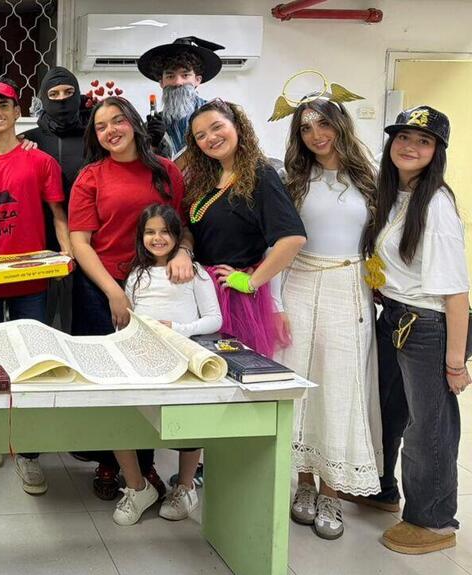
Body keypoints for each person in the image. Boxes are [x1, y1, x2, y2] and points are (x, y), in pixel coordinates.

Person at [272, 91, 382, 541]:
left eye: (323, 124)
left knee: (340, 384)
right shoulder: (292, 179)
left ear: (340, 124)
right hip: (299, 283)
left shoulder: (371, 179)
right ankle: (303, 483)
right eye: (305, 127)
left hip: (348, 288)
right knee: (300, 381)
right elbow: (277, 243)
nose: (316, 135)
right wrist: (276, 303)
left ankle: (332, 490)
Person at [358, 106, 468, 555]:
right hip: (396, 317)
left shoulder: (437, 205)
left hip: (427, 327)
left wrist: (456, 363)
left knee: (430, 427)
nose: (409, 146)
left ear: (437, 151)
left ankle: (434, 520)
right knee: (388, 411)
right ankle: (384, 489)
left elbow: (456, 294)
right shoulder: (396, 194)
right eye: (403, 137)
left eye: (422, 141)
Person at [66, 96, 187, 502]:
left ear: (133, 122)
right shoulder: (91, 176)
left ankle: (145, 464)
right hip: (102, 287)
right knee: (105, 379)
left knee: (146, 379)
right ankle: (108, 460)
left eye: (117, 121)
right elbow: (80, 242)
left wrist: (184, 251)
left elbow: (180, 228)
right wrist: (113, 291)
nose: (110, 131)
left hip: (152, 288)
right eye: (101, 127)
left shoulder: (166, 172)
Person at [0, 77, 68, 495]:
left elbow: (58, 212)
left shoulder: (39, 160)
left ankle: (27, 452)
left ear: (17, 110)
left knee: (32, 363)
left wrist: (65, 253)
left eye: (3, 105)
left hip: (30, 275)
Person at [111, 203, 220, 526]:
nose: (157, 238)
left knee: (190, 420)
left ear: (177, 236)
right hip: (141, 358)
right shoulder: (136, 274)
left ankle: (184, 486)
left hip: (183, 357)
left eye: (164, 232)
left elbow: (215, 319)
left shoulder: (195, 273)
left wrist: (178, 329)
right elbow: (123, 321)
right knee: (119, 414)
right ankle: (137, 486)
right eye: (150, 232)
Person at [183, 99, 306, 358]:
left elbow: (292, 239)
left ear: (237, 125)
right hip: (204, 292)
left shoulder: (261, 175)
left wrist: (251, 282)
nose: (211, 138)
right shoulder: (207, 179)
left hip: (234, 298)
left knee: (233, 377)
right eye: (201, 136)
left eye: (217, 127)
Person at [20, 66, 89, 332]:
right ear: (43, 98)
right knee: (40, 320)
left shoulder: (93, 137)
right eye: (54, 93)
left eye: (69, 92)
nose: (61, 99)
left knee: (81, 315)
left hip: (90, 237)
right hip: (40, 241)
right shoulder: (30, 140)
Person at [136, 36, 224, 165]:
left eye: (185, 75)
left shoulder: (219, 113)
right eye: (170, 76)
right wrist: (151, 143)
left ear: (197, 80)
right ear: (161, 82)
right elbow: (142, 171)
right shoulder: (152, 125)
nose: (178, 82)